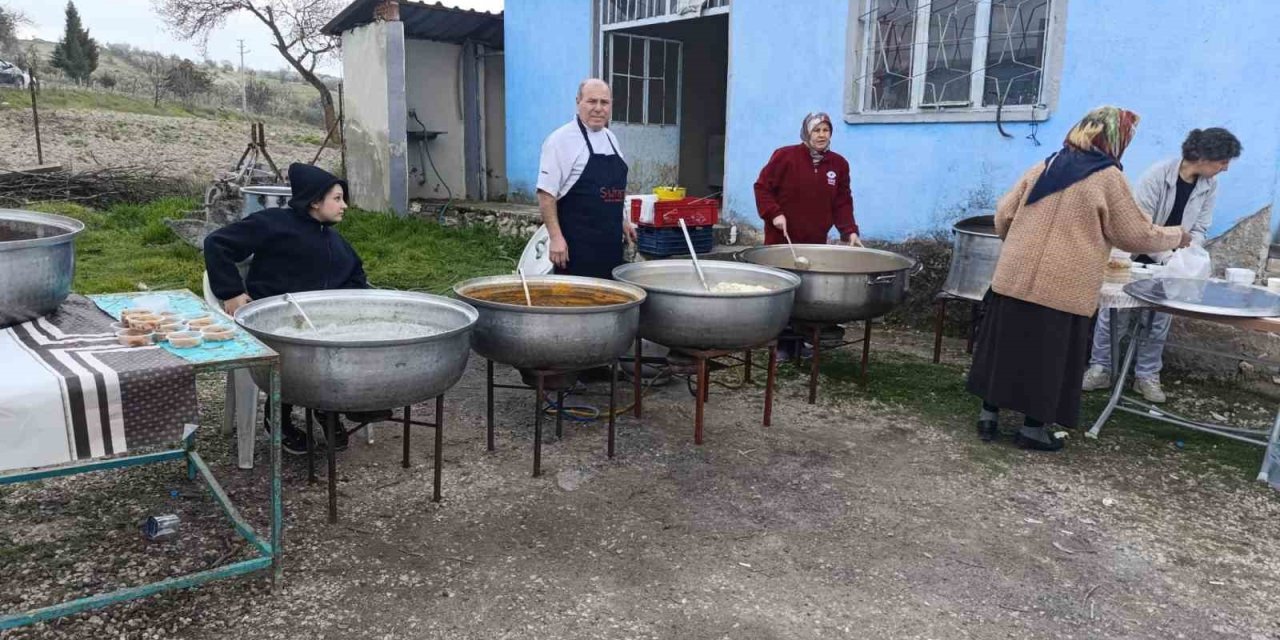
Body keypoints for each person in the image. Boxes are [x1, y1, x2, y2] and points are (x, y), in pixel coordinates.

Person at [966, 106, 1190, 451]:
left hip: (1014, 278)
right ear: (1114, 139)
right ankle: (1032, 430)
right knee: (1047, 357)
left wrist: (1018, 246)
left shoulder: (1046, 165)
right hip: (1062, 286)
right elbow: (1134, 234)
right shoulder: (1107, 177)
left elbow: (1004, 213)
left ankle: (988, 418)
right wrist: (1177, 235)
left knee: (1004, 347)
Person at [204, 162, 370, 454]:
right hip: (273, 323)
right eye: (337, 198)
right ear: (315, 201)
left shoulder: (335, 240)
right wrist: (231, 292)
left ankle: (335, 407)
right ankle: (278, 419)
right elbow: (217, 244)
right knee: (298, 350)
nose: (344, 205)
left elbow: (356, 278)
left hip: (324, 325)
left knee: (354, 343)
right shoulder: (273, 223)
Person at [1082, 128, 1243, 402]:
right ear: (1204, 157)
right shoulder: (1158, 176)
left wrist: (1186, 257)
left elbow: (1200, 228)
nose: (1225, 168)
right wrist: (1168, 256)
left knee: (1159, 318)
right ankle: (1101, 368)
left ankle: (1146, 375)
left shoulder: (1209, 185)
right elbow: (1139, 227)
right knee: (1115, 314)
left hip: (1173, 258)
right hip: (1133, 255)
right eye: (1223, 161)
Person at [536, 78, 636, 279]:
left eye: (604, 102)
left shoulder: (611, 138)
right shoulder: (560, 140)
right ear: (578, 102)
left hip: (610, 246)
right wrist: (556, 238)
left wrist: (623, 221)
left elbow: (614, 190)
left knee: (610, 295)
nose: (598, 108)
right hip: (576, 248)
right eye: (592, 101)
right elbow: (545, 195)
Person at [754, 111, 860, 247]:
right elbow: (762, 188)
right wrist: (774, 214)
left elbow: (842, 202)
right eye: (816, 130)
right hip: (781, 238)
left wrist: (850, 231)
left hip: (815, 242)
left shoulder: (839, 164)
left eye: (826, 130)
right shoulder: (785, 156)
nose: (822, 135)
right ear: (806, 132)